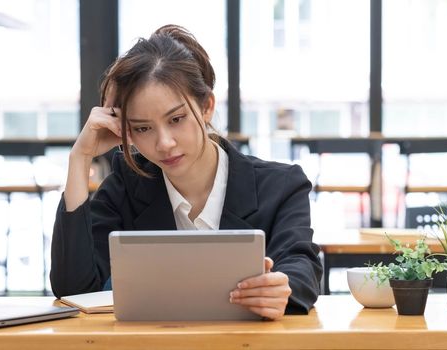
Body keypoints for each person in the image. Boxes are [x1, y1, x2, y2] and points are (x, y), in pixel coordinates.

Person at [50, 25, 322, 319]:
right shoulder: (126, 187)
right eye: (143, 128)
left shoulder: (281, 186)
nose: (164, 143)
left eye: (176, 119)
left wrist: (283, 289)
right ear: (126, 130)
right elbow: (73, 290)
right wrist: (80, 159)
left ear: (206, 107)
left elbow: (302, 268)